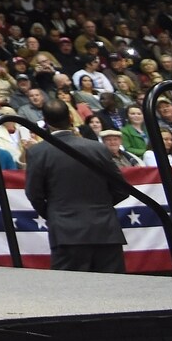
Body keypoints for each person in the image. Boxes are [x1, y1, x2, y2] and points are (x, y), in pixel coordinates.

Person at [25, 99, 127, 273]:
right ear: (71, 117)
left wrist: (55, 213)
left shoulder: (38, 152)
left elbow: (34, 194)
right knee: (114, 292)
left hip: (67, 232)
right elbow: (120, 188)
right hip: (105, 230)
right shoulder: (98, 148)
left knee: (71, 294)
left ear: (45, 121)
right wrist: (101, 206)